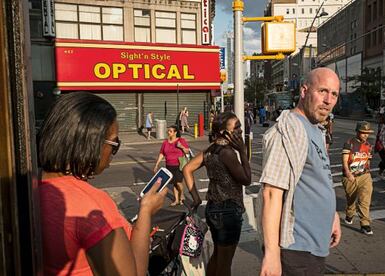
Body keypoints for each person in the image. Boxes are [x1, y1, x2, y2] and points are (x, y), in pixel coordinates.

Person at [37, 92, 167, 276]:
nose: (114, 153)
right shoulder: (91, 205)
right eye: (114, 144)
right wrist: (146, 212)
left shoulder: (29, 185)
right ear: (91, 142)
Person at [259, 68, 341, 276]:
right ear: (304, 91)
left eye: (334, 94)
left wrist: (332, 216)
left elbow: (317, 179)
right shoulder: (288, 130)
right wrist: (272, 255)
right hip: (296, 250)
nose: (328, 100)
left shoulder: (315, 128)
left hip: (314, 245)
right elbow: (271, 193)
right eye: (323, 91)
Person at [183, 112, 251, 276]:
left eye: (240, 126)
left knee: (218, 256)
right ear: (223, 132)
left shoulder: (211, 149)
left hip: (213, 209)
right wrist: (242, 151)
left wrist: (196, 198)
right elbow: (247, 179)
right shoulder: (227, 153)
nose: (240, 131)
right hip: (227, 211)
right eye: (236, 128)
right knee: (225, 263)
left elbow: (187, 169)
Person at [342, 121, 375, 235]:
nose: (366, 135)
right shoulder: (349, 143)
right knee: (351, 199)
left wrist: (368, 174)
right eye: (363, 132)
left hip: (365, 176)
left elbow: (368, 161)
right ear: (357, 132)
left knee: (364, 200)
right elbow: (345, 160)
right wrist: (348, 173)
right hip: (350, 176)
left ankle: (365, 224)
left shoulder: (369, 146)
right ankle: (350, 213)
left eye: (368, 133)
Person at [154, 125, 189, 206]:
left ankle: (182, 195)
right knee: (174, 183)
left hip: (179, 165)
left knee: (178, 182)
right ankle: (176, 200)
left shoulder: (181, 140)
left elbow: (187, 151)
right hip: (169, 165)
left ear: (175, 132)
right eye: (168, 131)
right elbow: (162, 153)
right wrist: (157, 164)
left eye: (170, 131)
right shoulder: (165, 143)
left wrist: (181, 146)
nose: (168, 132)